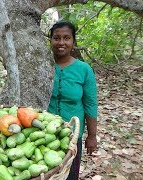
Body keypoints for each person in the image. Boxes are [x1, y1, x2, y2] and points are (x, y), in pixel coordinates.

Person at [48, 20, 98, 180]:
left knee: (69, 175)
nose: (61, 42)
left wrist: (92, 136)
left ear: (73, 41)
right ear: (50, 40)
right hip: (44, 133)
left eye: (66, 38)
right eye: (56, 38)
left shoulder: (84, 70)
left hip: (72, 136)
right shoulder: (43, 65)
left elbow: (90, 104)